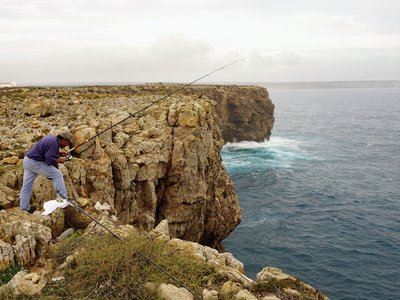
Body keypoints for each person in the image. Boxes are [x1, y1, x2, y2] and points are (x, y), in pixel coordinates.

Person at [20, 128, 73, 213]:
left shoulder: (51, 139)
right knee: (57, 174)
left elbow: (46, 152)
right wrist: (60, 160)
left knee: (27, 186)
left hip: (27, 160)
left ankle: (24, 208)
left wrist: (59, 154)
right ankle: (62, 197)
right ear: (63, 139)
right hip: (35, 163)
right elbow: (49, 160)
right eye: (67, 143)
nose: (67, 145)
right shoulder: (53, 143)